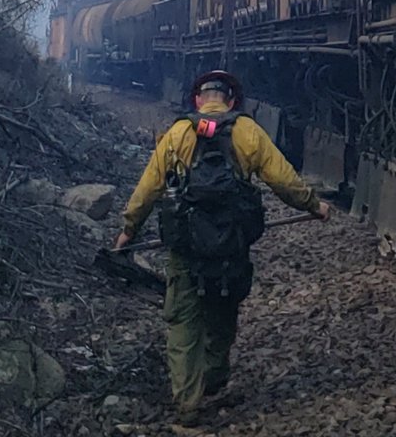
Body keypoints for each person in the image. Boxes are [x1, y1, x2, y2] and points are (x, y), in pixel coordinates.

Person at [114, 70, 329, 428]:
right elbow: (282, 178)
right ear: (230, 100)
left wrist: (128, 230)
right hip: (231, 246)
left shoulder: (178, 133)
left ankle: (187, 401)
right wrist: (313, 206)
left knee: (184, 322)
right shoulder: (247, 131)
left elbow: (148, 188)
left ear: (198, 99)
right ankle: (214, 378)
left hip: (186, 247)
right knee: (223, 310)